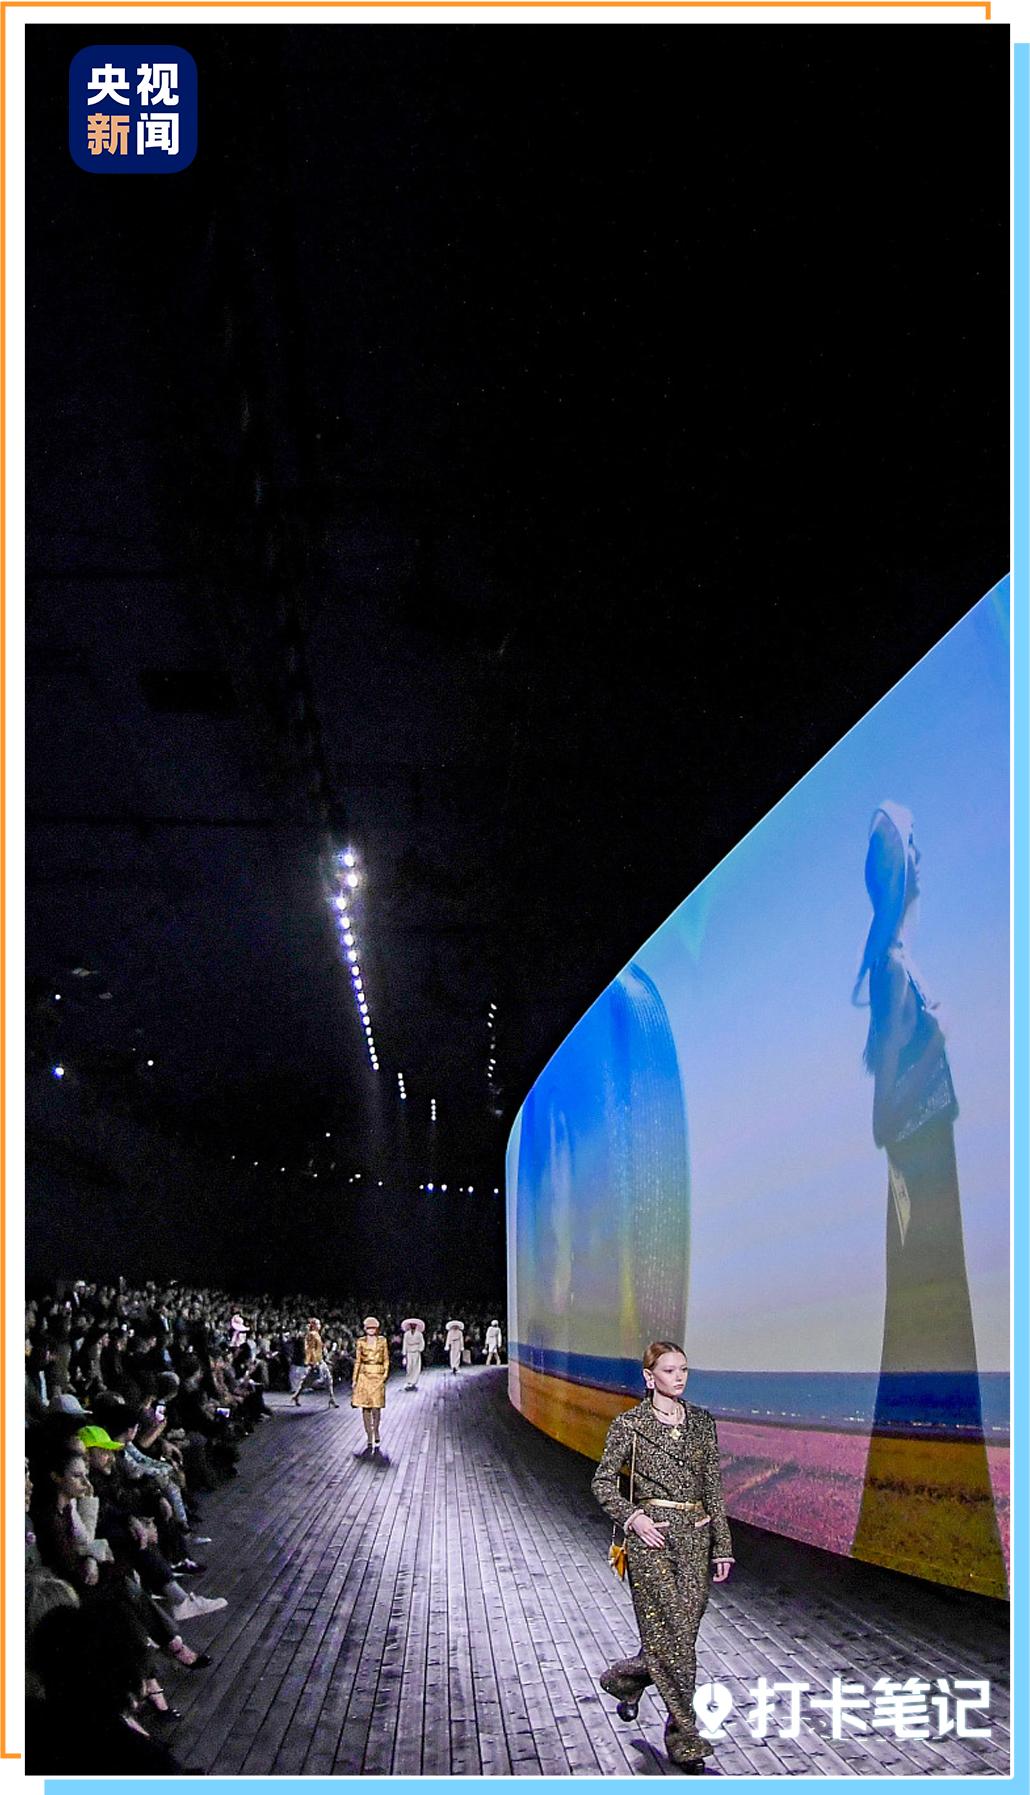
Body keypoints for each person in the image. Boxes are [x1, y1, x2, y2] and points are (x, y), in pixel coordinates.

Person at [850, 802, 1006, 1593]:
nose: (926, 854)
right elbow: (884, 1113)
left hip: (928, 1186)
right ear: (901, 866)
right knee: (932, 1335)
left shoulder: (898, 964)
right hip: (922, 1191)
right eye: (915, 844)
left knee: (936, 1337)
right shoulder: (892, 970)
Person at [592, 1342, 733, 1772]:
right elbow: (602, 1482)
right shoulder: (630, 1425)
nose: (679, 1377)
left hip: (696, 1540)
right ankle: (685, 1738)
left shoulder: (702, 1423)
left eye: (683, 1369)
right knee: (674, 1639)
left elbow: (713, 1487)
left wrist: (722, 1545)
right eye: (670, 1370)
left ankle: (625, 1678)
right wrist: (634, 1518)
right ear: (649, 1376)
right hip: (651, 1540)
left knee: (677, 1640)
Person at [351, 1317, 389, 1451]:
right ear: (365, 1329)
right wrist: (354, 1379)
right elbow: (358, 1361)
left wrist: (385, 1374)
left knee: (376, 1406)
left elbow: (386, 1359)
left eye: (373, 1328)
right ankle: (369, 1434)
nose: (371, 1330)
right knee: (365, 1406)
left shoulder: (382, 1341)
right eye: (368, 1328)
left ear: (377, 1329)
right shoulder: (361, 1341)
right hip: (364, 1375)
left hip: (378, 1375)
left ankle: (376, 1430)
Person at [291, 1318, 339, 1409]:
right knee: (308, 1381)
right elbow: (310, 1349)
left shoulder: (316, 1334)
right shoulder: (311, 1335)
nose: (319, 1325)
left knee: (329, 1379)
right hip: (316, 1362)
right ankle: (296, 1396)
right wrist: (313, 1362)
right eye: (318, 1324)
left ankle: (331, 1398)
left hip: (320, 1360)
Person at [402, 1320, 425, 1391]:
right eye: (411, 1325)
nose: (413, 1326)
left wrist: (420, 1349)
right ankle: (409, 1381)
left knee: (416, 1366)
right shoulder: (406, 1334)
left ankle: (414, 1382)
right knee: (409, 1367)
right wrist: (404, 1353)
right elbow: (405, 1343)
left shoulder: (419, 1334)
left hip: (416, 1351)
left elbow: (422, 1342)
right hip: (409, 1352)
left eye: (414, 1325)